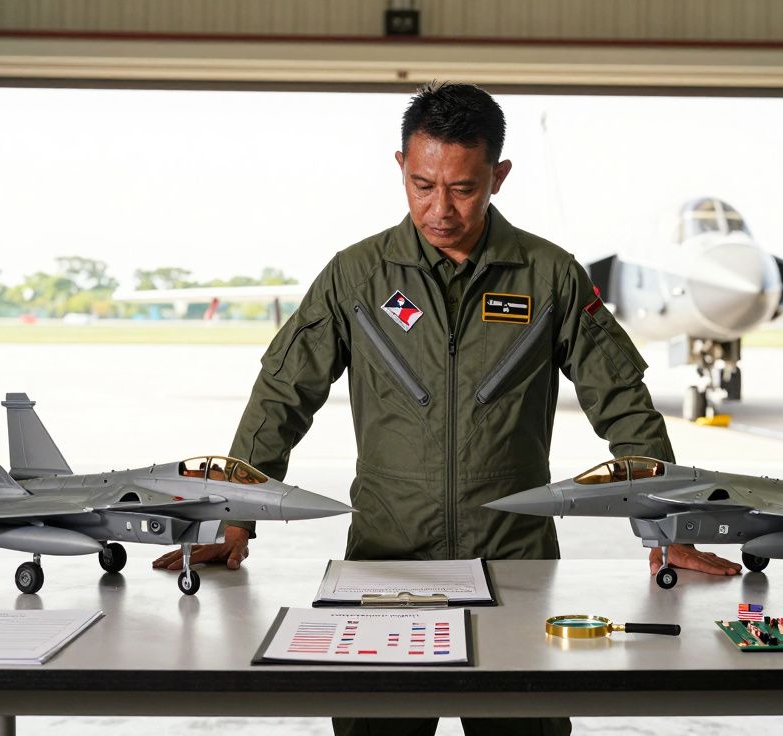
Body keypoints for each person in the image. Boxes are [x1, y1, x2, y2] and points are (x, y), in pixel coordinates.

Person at [154, 82, 740, 736]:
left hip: (515, 560)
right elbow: (283, 396)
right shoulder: (357, 277)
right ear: (400, 167)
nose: (441, 209)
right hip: (385, 560)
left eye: (462, 188)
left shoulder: (549, 276)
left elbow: (623, 404)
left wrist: (671, 528)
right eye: (422, 184)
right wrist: (235, 518)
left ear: (498, 175)